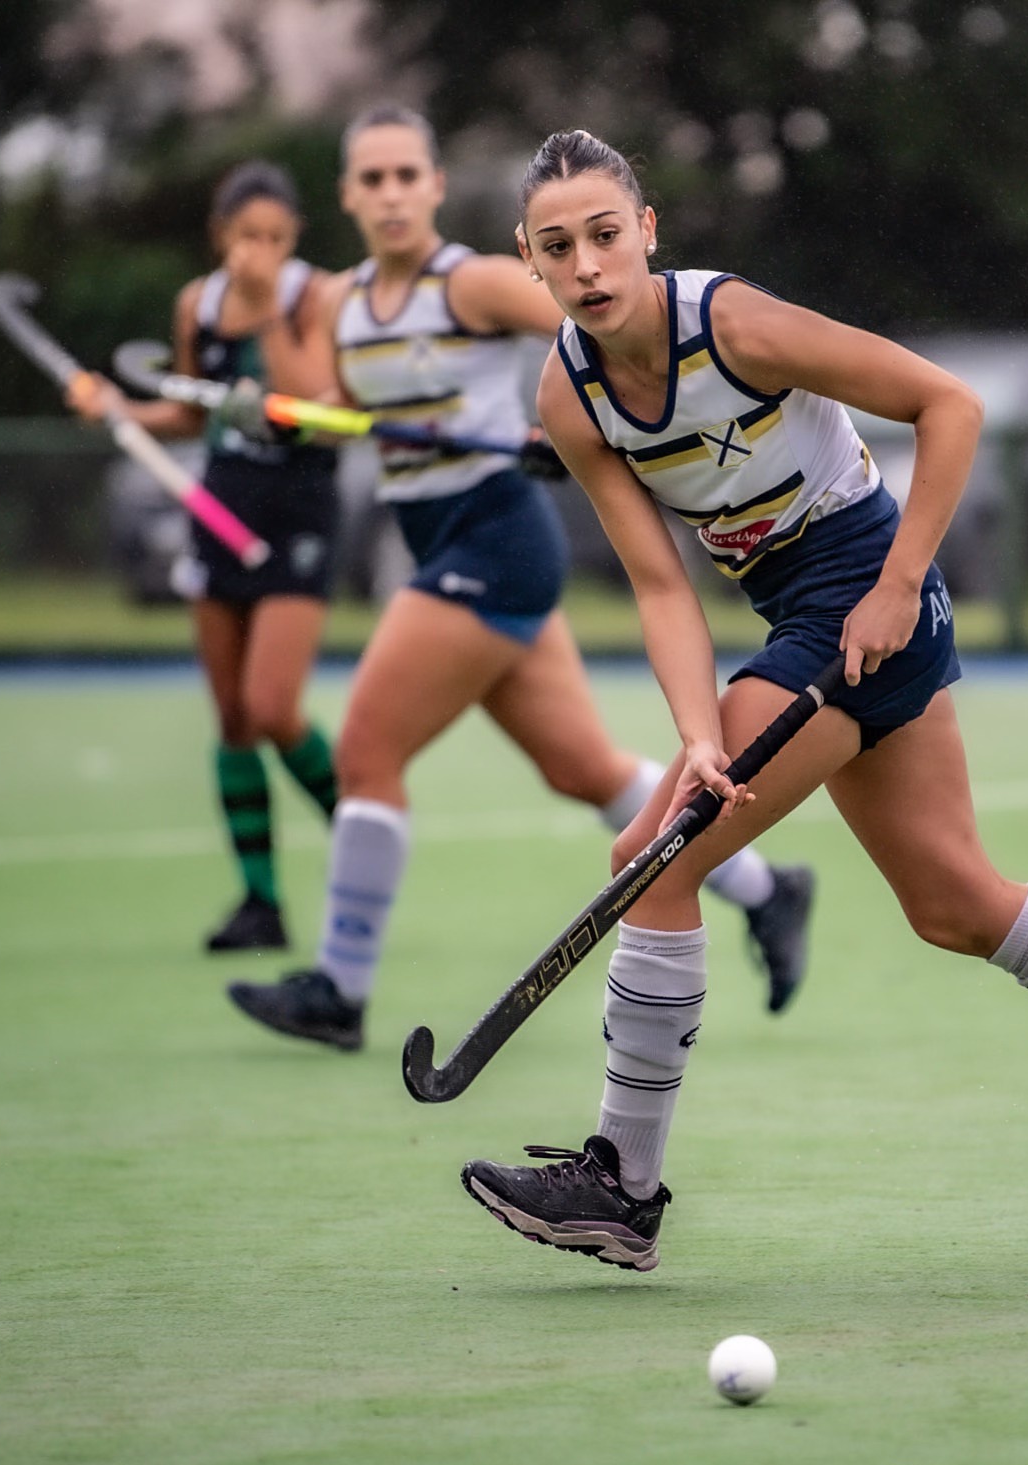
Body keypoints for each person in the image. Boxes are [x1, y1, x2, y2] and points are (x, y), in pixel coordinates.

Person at [453, 129, 1028, 1273]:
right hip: (797, 618)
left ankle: (622, 1179)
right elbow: (660, 585)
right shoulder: (572, 391)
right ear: (529, 259)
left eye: (606, 235)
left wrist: (899, 584)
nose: (589, 265)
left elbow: (945, 405)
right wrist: (697, 734)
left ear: (646, 231)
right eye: (558, 247)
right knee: (955, 903)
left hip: (864, 591)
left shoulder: (734, 325)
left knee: (653, 857)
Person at [227, 107, 813, 1053]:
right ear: (348, 195)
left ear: (433, 187)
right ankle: (768, 889)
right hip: (441, 545)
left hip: (495, 537)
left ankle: (337, 989)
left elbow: (606, 343)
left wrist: (558, 432)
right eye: (369, 179)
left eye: (404, 175)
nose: (388, 195)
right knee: (579, 767)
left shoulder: (480, 284)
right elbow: (335, 409)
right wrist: (275, 413)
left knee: (367, 750)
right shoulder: (339, 305)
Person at [68, 161, 342, 953]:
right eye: (246, 235)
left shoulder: (309, 297)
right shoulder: (197, 303)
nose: (259, 250)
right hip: (219, 508)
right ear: (221, 235)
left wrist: (262, 311)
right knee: (230, 716)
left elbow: (316, 415)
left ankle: (361, 836)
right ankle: (261, 903)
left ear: (293, 241)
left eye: (276, 238)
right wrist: (119, 410)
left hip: (298, 515)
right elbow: (194, 412)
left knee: (272, 705)